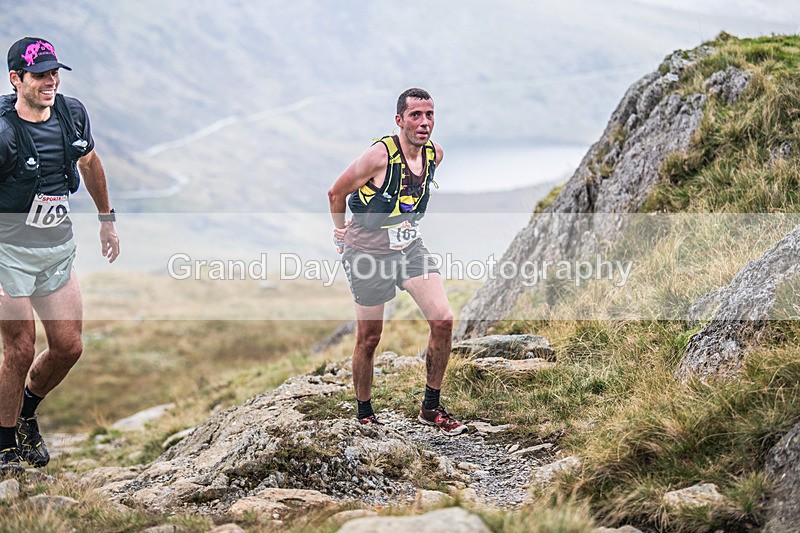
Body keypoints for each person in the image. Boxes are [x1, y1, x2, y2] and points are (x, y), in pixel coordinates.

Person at [0, 37, 119, 472]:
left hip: (56, 248)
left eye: (55, 72)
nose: (51, 81)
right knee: (20, 349)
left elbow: (88, 163)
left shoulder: (71, 114)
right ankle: (4, 446)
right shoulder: (4, 133)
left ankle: (27, 415)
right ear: (16, 79)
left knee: (68, 346)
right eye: (40, 74)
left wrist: (107, 220)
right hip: (6, 251)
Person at [327, 88, 465, 436]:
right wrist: (340, 231)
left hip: (407, 249)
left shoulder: (435, 154)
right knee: (370, 338)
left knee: (444, 320)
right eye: (416, 115)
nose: (424, 122)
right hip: (368, 254)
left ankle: (430, 408)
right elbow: (336, 192)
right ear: (399, 120)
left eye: (429, 114)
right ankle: (364, 413)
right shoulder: (378, 157)